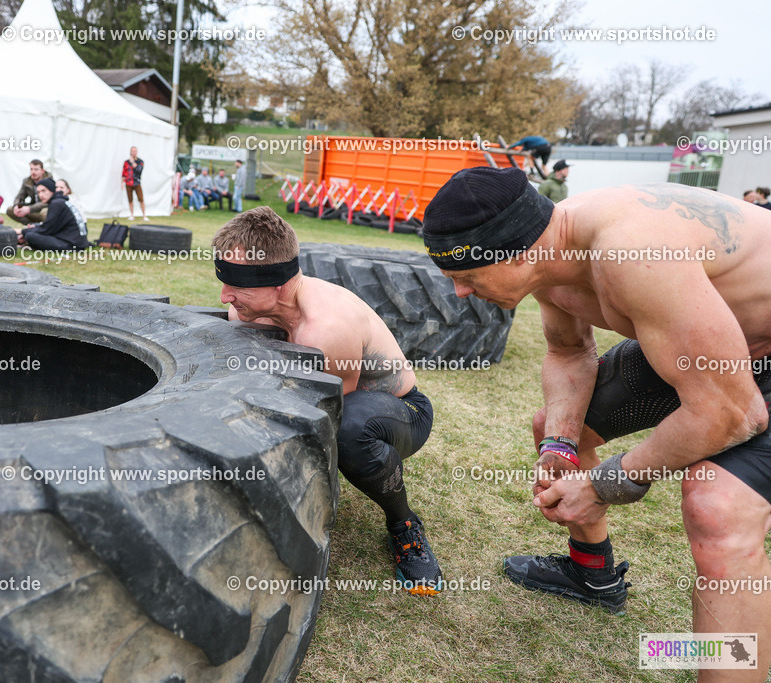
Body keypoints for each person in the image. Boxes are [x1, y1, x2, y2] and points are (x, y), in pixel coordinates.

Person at [422, 167, 771, 674]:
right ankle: (593, 575)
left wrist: (603, 484)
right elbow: (568, 352)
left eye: (466, 275)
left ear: (517, 253)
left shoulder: (631, 253)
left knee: (715, 507)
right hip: (715, 342)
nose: (459, 292)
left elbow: (731, 414)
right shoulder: (549, 251)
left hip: (746, 363)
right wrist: (561, 448)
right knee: (554, 428)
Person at [213, 207, 442, 594]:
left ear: (281, 285)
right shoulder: (247, 309)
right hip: (349, 399)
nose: (225, 296)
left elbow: (323, 416)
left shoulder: (326, 330)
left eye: (237, 284)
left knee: (349, 429)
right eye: (223, 279)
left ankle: (404, 524)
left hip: (398, 411)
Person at [17, 178, 88, 251]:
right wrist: (35, 226)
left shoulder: (56, 203)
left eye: (44, 191)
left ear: (51, 190)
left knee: (30, 236)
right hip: (77, 241)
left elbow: (47, 229)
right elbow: (52, 226)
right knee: (32, 233)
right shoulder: (60, 201)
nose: (41, 195)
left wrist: (23, 232)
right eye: (38, 192)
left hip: (72, 244)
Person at [6, 160, 51, 225]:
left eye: (36, 169)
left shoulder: (49, 181)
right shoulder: (27, 181)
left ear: (42, 171)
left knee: (45, 212)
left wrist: (29, 208)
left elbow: (48, 202)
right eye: (31, 169)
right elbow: (20, 197)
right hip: (32, 209)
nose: (33, 172)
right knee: (11, 210)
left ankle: (44, 228)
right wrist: (17, 206)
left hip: (43, 208)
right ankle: (31, 226)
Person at [122, 146, 148, 221]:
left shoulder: (140, 161)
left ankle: (144, 215)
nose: (133, 152)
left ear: (137, 152)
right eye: (132, 151)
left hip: (137, 182)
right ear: (130, 152)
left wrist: (133, 162)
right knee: (130, 200)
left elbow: (138, 170)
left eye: (135, 151)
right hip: (128, 183)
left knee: (141, 199)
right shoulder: (126, 162)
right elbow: (124, 172)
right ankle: (132, 215)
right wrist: (122, 182)